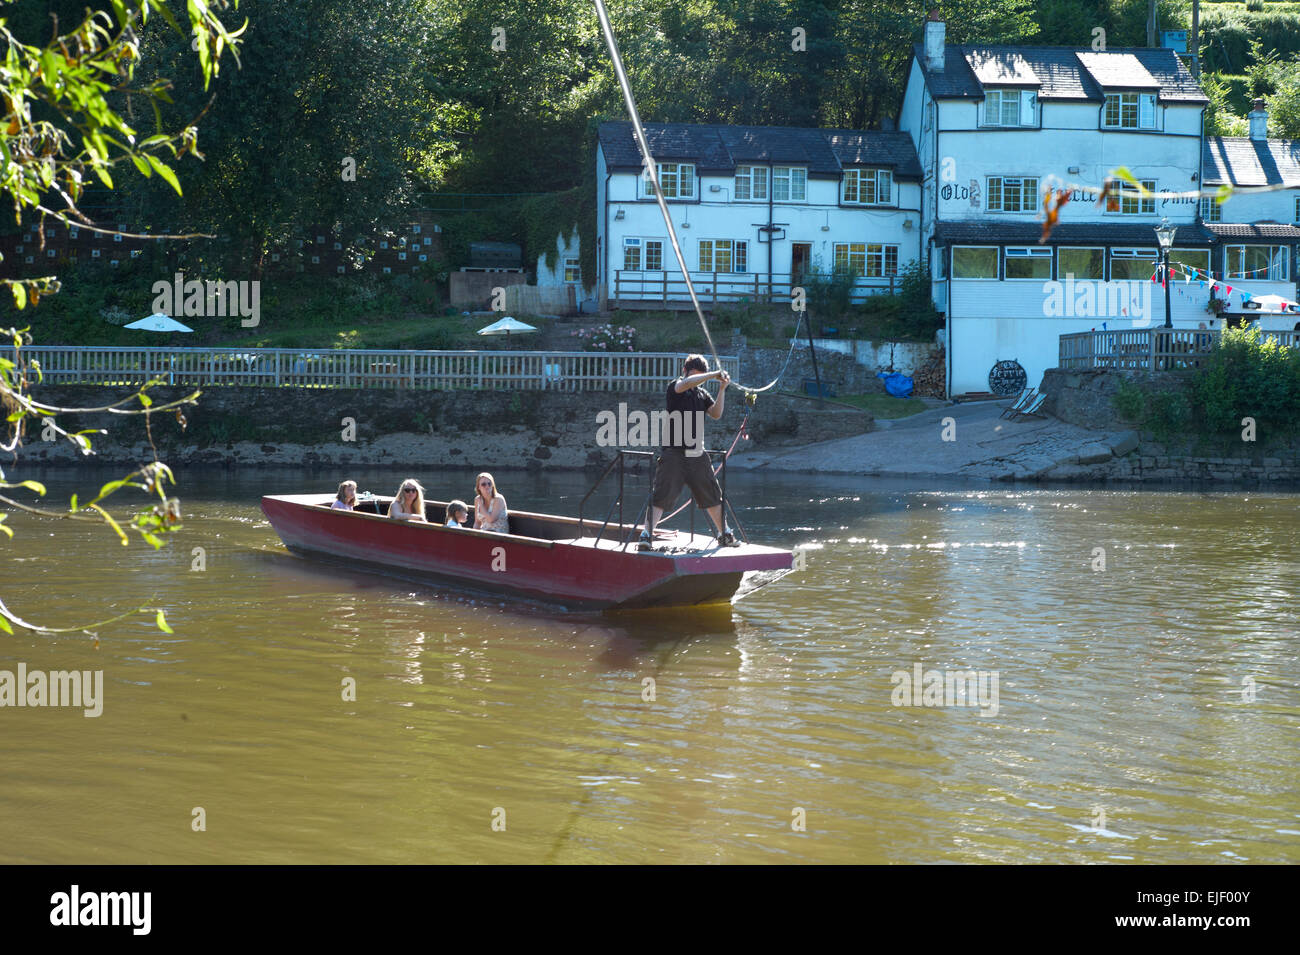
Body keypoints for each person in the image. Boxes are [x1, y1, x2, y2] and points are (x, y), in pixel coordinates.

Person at [641, 354, 737, 549]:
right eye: (695, 375)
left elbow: (716, 414)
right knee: (661, 494)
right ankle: (646, 535)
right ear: (685, 372)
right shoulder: (675, 387)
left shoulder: (701, 395)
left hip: (696, 453)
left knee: (712, 494)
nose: (698, 380)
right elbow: (684, 384)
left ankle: (724, 534)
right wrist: (711, 375)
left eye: (700, 376)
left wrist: (721, 389)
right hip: (673, 452)